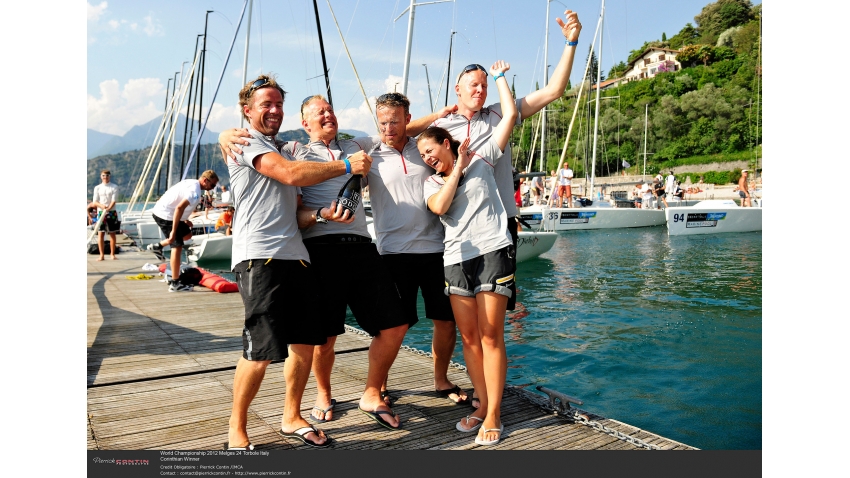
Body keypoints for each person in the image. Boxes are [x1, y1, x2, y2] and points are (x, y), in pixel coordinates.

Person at [221, 74, 372, 450]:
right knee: (260, 351)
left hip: (298, 256)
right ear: (247, 111)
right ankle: (236, 428)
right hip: (260, 257)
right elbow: (288, 175)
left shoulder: (286, 148)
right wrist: (346, 167)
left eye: (277, 104)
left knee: (304, 344)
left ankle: (291, 415)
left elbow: (299, 210)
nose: (273, 110)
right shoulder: (244, 142)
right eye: (265, 105)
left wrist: (321, 214)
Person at [408, 9, 581, 324]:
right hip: (458, 232)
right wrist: (435, 115)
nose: (481, 90)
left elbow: (554, 91)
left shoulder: (501, 113)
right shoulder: (440, 128)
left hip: (500, 225)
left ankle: (500, 374)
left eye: (485, 85)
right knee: (459, 319)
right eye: (473, 85)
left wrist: (571, 43)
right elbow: (398, 131)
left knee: (496, 319)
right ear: (457, 90)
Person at [287, 94, 412, 431]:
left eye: (330, 109)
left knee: (396, 324)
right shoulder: (294, 152)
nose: (328, 114)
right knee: (324, 338)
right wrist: (321, 214)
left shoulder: (356, 145)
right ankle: (324, 393)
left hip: (362, 247)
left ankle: (371, 393)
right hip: (320, 249)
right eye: (319, 112)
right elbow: (294, 215)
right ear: (305, 123)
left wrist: (445, 113)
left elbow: (401, 125)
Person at [420, 59, 518, 446]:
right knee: (470, 337)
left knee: (492, 335)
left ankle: (493, 413)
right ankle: (481, 404)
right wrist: (455, 167)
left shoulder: (486, 155)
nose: (427, 157)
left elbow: (509, 113)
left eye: (431, 149)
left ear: (447, 141)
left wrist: (498, 79)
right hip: (455, 258)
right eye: (423, 154)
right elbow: (442, 207)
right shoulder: (431, 182)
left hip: (493, 248)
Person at [146, 170, 219, 291]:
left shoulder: (192, 183)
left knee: (187, 235)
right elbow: (179, 208)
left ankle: (158, 246)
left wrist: (185, 220)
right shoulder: (194, 192)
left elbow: (177, 201)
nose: (212, 188)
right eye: (212, 185)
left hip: (169, 213)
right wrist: (173, 232)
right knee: (177, 247)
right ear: (205, 180)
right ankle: (175, 283)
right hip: (165, 215)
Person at [91, 169, 119, 261]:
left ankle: (112, 254)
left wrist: (108, 208)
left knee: (112, 233)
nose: (105, 177)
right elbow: (95, 201)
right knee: (101, 234)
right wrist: (102, 207)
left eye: (107, 175)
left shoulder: (114, 187)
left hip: (111, 212)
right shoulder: (97, 188)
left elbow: (114, 200)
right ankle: (101, 255)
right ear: (101, 176)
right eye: (103, 175)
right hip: (100, 212)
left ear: (109, 176)